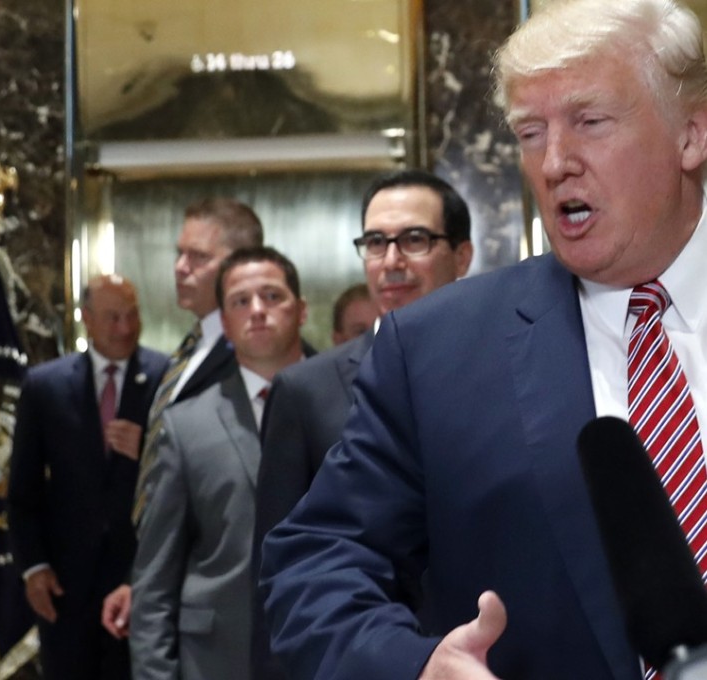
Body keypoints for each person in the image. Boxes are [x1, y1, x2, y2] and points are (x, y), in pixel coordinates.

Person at [259, 0, 707, 677]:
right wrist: (415, 666)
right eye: (531, 132)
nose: (555, 163)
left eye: (589, 121)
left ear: (691, 134)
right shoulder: (436, 350)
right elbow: (314, 562)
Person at [252, 169, 473, 680]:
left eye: (414, 240)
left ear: (461, 256)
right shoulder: (305, 391)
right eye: (376, 243)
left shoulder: (501, 369)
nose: (391, 260)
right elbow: (282, 575)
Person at [130, 246, 306, 680]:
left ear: (301, 310)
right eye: (240, 302)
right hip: (217, 661)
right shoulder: (186, 425)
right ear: (224, 324)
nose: (258, 311)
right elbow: (154, 579)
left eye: (272, 296)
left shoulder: (350, 403)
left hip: (329, 654)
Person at [102, 197, 264, 636]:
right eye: (179, 253)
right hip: (161, 569)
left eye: (198, 257)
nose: (179, 267)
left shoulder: (250, 352)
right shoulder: (189, 348)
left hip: (215, 585)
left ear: (237, 265)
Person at [8, 274, 168, 680]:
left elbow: (183, 477)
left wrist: (149, 447)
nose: (125, 328)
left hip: (141, 577)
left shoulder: (167, 377)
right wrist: (33, 566)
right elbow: (23, 489)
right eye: (113, 317)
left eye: (132, 316)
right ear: (87, 319)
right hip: (65, 584)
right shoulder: (45, 386)